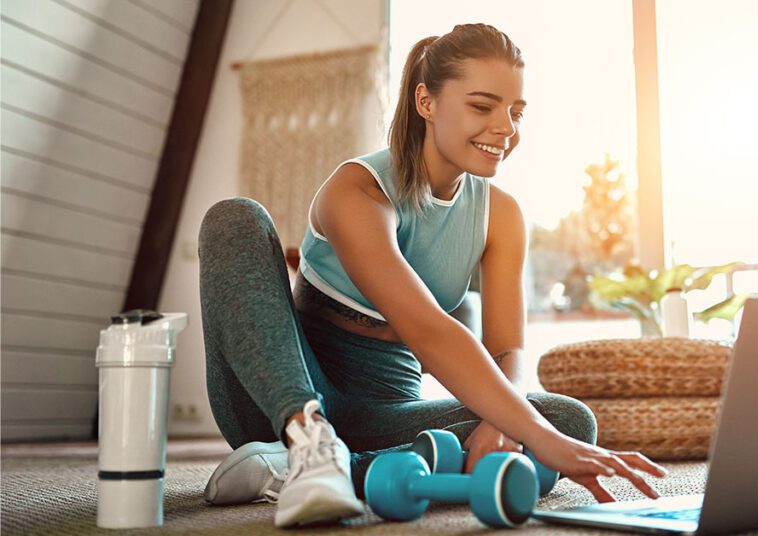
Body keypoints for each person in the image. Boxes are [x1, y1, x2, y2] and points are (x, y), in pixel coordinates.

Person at [198, 23, 667, 528]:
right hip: (279, 395)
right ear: (427, 102)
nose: (506, 127)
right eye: (483, 106)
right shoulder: (357, 189)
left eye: (516, 111)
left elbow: (506, 350)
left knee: (567, 421)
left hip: (384, 412)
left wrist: (501, 421)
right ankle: (306, 442)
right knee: (235, 217)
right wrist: (540, 439)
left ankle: (311, 468)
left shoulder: (501, 216)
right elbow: (425, 327)